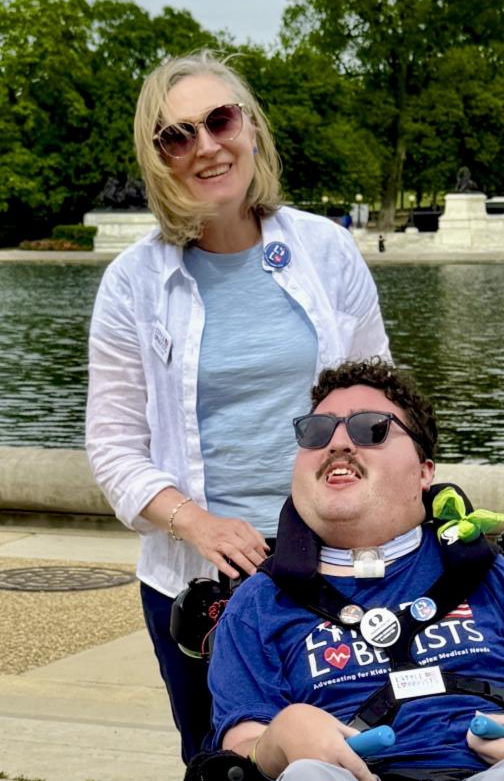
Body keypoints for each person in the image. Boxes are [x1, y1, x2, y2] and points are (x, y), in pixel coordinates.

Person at [86, 51, 391, 763]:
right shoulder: (133, 282)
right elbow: (113, 446)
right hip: (197, 582)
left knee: (356, 754)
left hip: (335, 560)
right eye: (177, 135)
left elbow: (380, 403)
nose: (206, 146)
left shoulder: (327, 249)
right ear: (158, 156)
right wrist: (197, 523)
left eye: (220, 120)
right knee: (223, 762)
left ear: (250, 127)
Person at [206, 359, 504, 781]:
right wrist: (278, 739)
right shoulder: (259, 602)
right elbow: (241, 745)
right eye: (317, 431)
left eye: (371, 428)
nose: (337, 443)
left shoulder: (490, 577)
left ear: (424, 471)